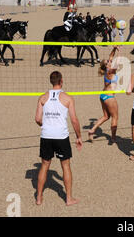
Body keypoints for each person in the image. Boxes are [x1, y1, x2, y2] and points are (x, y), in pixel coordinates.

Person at [34, 71, 83, 206]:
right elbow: (74, 120)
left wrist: (46, 125)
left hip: (46, 135)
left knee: (44, 166)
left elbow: (37, 119)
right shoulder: (67, 98)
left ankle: (39, 198)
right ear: (61, 81)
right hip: (61, 136)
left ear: (51, 81)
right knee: (65, 166)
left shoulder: (43, 97)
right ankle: (68, 198)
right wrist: (79, 136)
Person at [88, 46, 120, 144]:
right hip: (109, 97)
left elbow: (110, 57)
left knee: (106, 116)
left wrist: (114, 49)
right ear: (106, 66)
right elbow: (118, 62)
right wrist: (120, 52)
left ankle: (92, 130)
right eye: (108, 62)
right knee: (115, 117)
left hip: (103, 96)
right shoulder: (110, 71)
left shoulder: (107, 70)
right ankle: (113, 138)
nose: (110, 61)